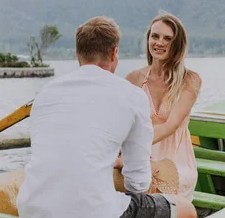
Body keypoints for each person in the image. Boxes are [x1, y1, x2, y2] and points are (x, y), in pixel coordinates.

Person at [17, 16, 196, 218]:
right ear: (114, 53)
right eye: (155, 36)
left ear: (77, 54)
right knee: (186, 209)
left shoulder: (45, 93)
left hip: (30, 208)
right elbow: (138, 184)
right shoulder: (131, 93)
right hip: (95, 212)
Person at [123, 12, 202, 201]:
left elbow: (171, 124)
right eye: (155, 36)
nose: (159, 43)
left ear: (177, 45)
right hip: (142, 157)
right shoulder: (133, 79)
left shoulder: (189, 80)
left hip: (176, 161)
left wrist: (135, 147)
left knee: (156, 181)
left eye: (168, 38)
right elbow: (123, 123)